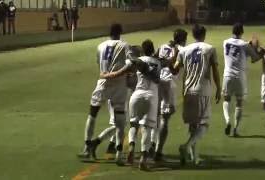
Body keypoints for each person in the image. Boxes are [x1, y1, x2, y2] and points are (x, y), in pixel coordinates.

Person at [77, 24, 133, 166]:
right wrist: (116, 74)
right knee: (120, 123)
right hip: (118, 86)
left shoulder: (100, 46)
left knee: (92, 115)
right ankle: (119, 155)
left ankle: (86, 147)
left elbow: (99, 64)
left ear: (110, 33)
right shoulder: (124, 45)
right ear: (120, 33)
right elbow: (130, 64)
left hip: (102, 83)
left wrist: (107, 73)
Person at [101, 39, 161, 170]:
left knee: (133, 124)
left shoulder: (137, 61)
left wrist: (109, 75)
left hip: (136, 95)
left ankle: (131, 146)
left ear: (143, 50)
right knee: (146, 128)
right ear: (153, 49)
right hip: (151, 96)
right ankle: (143, 159)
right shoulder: (158, 62)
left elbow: (124, 72)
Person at [169, 24, 221, 166]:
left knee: (193, 126)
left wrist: (171, 56)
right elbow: (215, 70)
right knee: (204, 125)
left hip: (188, 91)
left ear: (193, 35)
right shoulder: (210, 49)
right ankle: (186, 146)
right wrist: (219, 87)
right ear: (204, 34)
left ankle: (194, 158)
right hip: (202, 90)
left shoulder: (184, 50)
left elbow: (174, 70)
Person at [149, 29, 188, 162]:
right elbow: (176, 69)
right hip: (169, 84)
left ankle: (151, 144)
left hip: (157, 81)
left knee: (155, 115)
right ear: (184, 39)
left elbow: (153, 59)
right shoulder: (182, 49)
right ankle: (158, 152)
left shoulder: (162, 46)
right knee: (165, 119)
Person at [222, 23, 261, 137]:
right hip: (240, 76)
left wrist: (249, 45)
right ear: (242, 32)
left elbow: (237, 48)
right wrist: (257, 48)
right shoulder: (245, 45)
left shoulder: (225, 42)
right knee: (239, 103)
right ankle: (235, 129)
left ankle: (228, 120)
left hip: (227, 75)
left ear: (232, 31)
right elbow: (255, 58)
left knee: (226, 99)